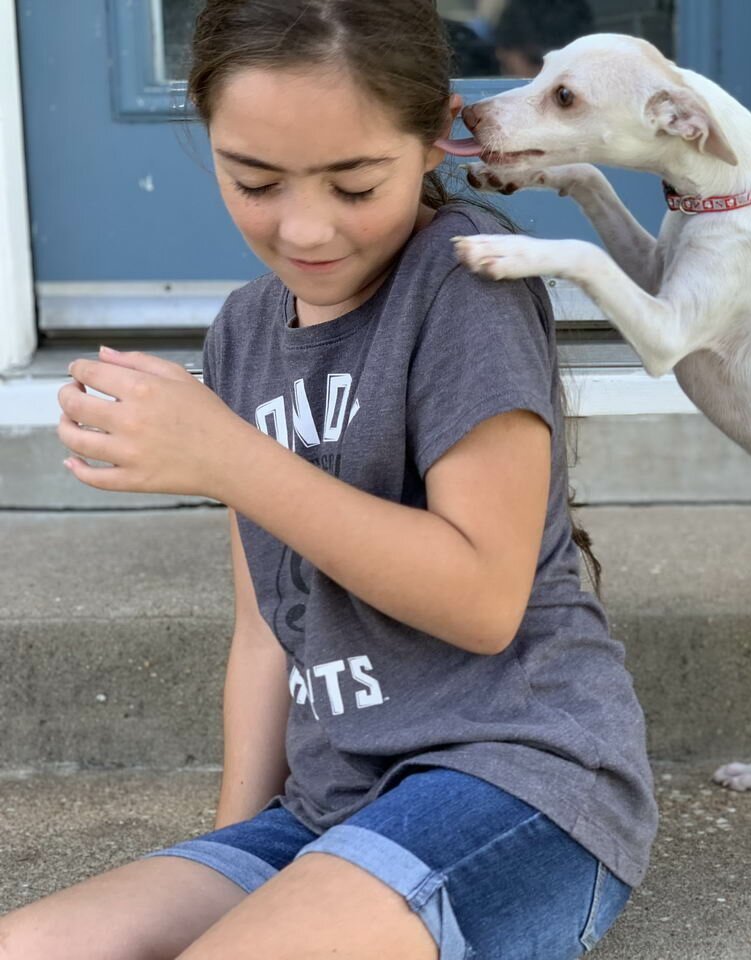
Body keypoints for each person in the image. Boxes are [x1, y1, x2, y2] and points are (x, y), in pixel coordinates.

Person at [0, 1, 657, 958]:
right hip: (329, 806)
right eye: (255, 180)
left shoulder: (466, 283)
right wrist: (230, 849)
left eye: (354, 184)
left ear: (435, 133)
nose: (306, 229)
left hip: (517, 782)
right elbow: (268, 627)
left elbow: (482, 600)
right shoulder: (243, 332)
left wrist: (227, 454)